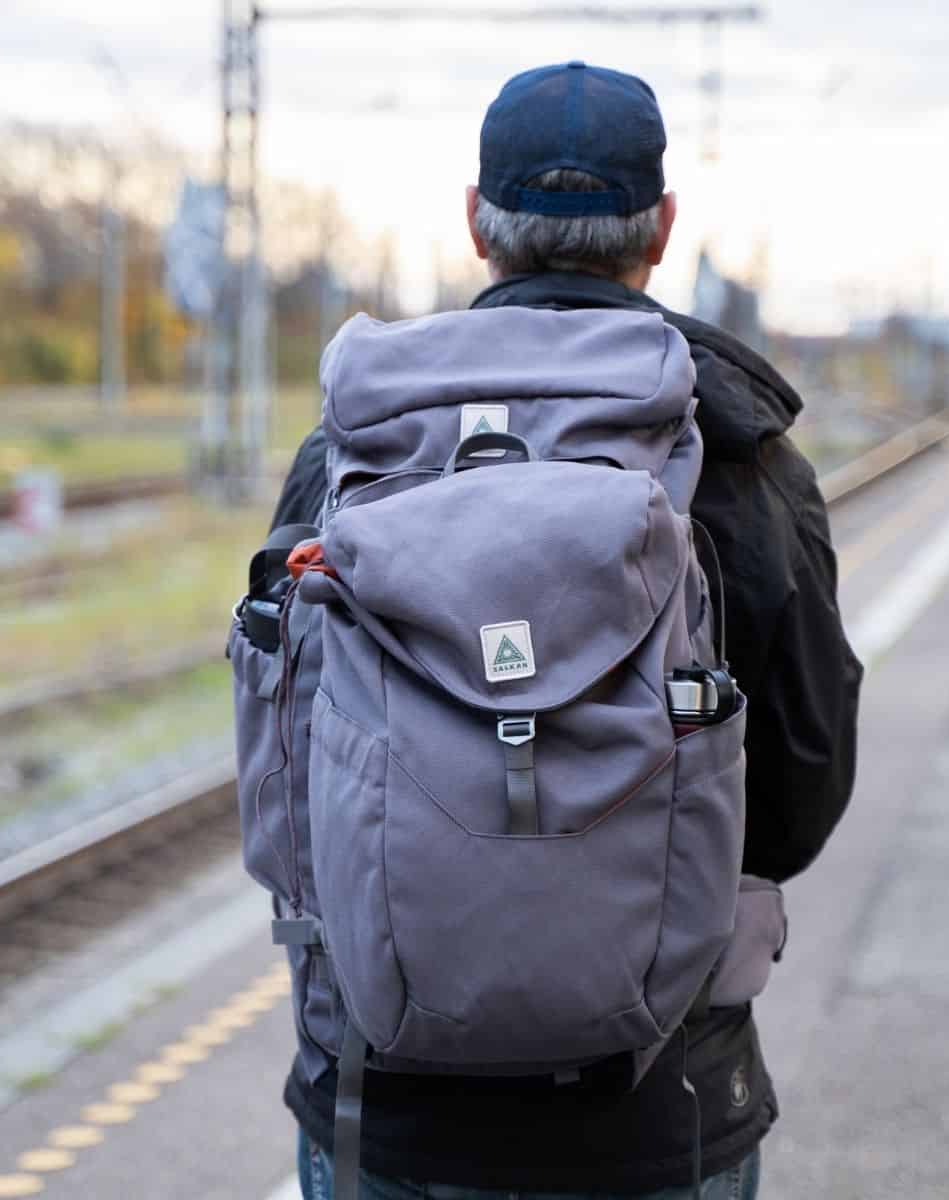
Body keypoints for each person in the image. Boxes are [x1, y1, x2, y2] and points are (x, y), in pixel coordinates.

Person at [269, 61, 861, 1200]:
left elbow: (289, 782)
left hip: (383, 1107)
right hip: (662, 1104)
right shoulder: (737, 455)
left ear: (477, 227)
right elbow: (798, 801)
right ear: (665, 230)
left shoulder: (355, 449)